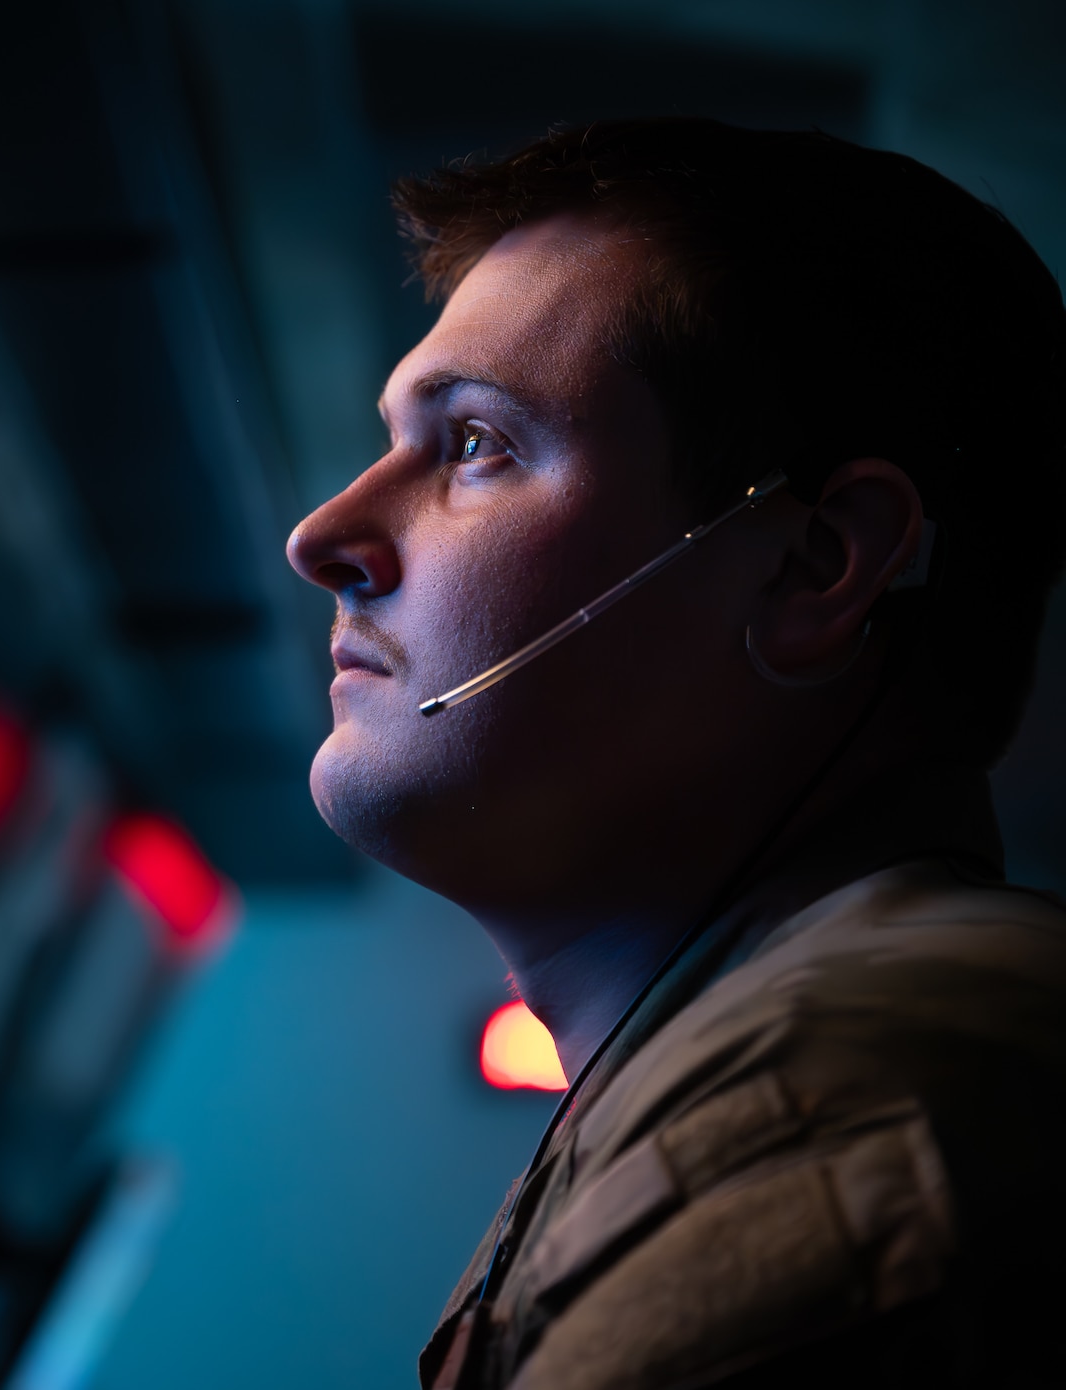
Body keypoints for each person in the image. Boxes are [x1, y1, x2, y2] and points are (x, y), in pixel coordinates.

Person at [285, 118, 1066, 1389]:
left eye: (476, 445)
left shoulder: (836, 1102)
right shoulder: (733, 1063)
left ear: (811, 566)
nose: (321, 538)